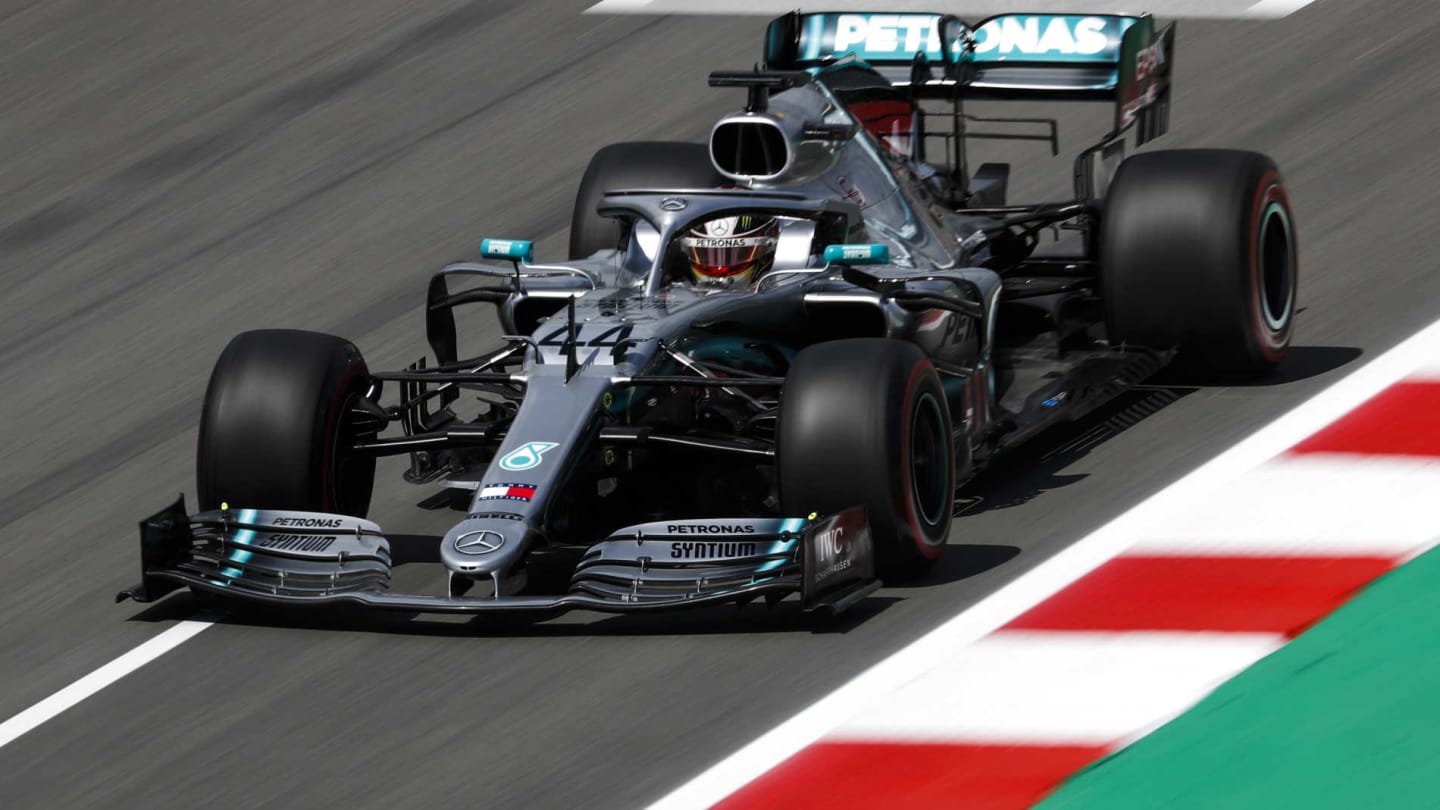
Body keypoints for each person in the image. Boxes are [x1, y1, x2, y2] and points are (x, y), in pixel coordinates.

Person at [678, 214, 781, 289]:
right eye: (704, 254)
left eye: (740, 253)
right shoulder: (677, 291)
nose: (719, 269)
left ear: (768, 249)